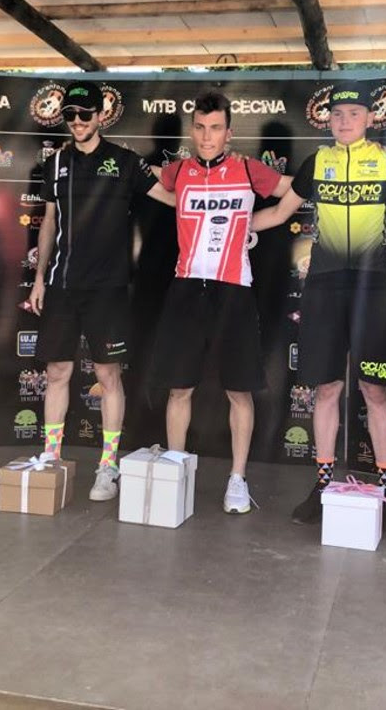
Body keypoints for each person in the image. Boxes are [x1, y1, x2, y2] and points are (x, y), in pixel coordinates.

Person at [252, 82, 386, 532]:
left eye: (354, 114)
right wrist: (221, 226)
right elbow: (279, 214)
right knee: (326, 390)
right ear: (328, 120)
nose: (344, 121)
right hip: (324, 287)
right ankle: (322, 486)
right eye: (337, 114)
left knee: (375, 392)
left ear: (370, 119)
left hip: (372, 290)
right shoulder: (317, 162)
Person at [29, 81, 175, 501]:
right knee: (57, 373)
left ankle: (107, 466)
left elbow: (170, 197)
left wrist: (214, 186)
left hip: (108, 289)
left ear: (101, 116)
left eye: (85, 114)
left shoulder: (125, 162)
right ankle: (51, 458)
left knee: (108, 375)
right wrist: (39, 277)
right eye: (70, 115)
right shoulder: (55, 163)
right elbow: (49, 222)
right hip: (62, 284)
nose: (77, 122)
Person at [149, 90, 291, 513]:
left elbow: (291, 195)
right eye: (200, 128)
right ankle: (175, 471)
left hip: (234, 289)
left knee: (239, 391)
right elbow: (147, 183)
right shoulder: (178, 171)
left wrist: (251, 223)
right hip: (187, 287)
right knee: (179, 388)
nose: (207, 136)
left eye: (215, 128)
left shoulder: (247, 168)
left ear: (229, 133)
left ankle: (237, 479)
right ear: (192, 131)